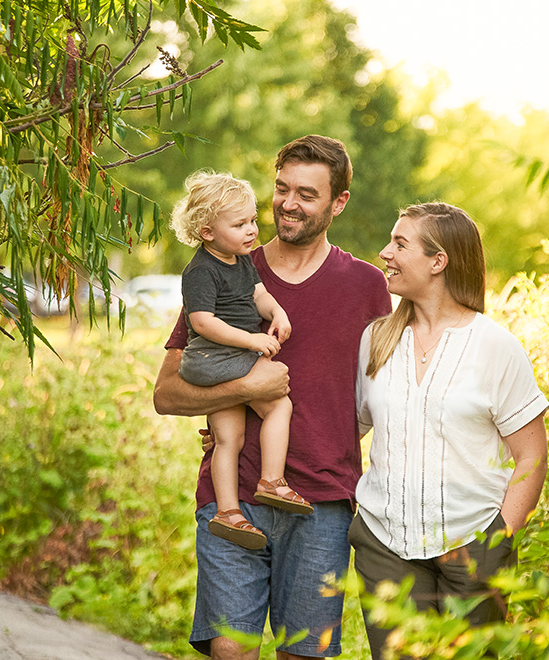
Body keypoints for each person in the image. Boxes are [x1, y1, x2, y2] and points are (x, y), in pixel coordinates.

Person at [153, 135, 392, 660]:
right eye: (282, 189)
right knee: (231, 651)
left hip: (322, 502)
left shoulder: (367, 287)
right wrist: (241, 391)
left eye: (307, 194)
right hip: (231, 499)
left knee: (303, 655)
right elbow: (168, 392)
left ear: (339, 203)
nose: (287, 203)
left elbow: (389, 396)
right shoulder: (227, 267)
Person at [350, 202, 549, 659]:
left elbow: (532, 456)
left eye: (401, 244)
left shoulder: (495, 346)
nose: (385, 253)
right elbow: (346, 430)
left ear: (438, 261)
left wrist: (499, 539)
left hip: (473, 545)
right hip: (385, 545)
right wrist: (242, 435)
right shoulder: (376, 339)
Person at [169, 170, 312, 551]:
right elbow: (201, 321)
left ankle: (228, 512)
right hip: (212, 358)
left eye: (252, 220)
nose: (252, 230)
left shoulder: (241, 259)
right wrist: (251, 339)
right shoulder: (200, 270)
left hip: (223, 360)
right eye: (239, 224)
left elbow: (259, 295)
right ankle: (271, 479)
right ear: (206, 231)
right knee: (279, 403)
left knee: (228, 438)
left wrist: (277, 313)